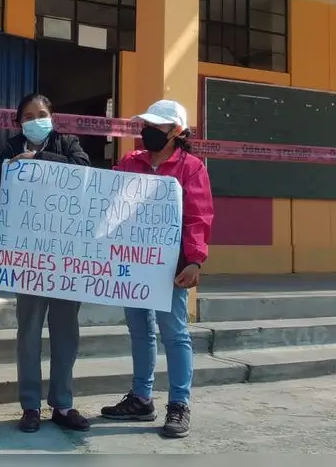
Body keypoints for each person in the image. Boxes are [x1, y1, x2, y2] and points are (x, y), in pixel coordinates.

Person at [0, 93, 92, 434]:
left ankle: (63, 404)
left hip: (67, 257)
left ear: (52, 116)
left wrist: (39, 159)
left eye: (41, 113)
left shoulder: (69, 143)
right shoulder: (9, 151)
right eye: (28, 115)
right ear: (19, 122)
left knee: (65, 334)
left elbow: (85, 172)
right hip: (28, 260)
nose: (36, 119)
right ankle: (30, 406)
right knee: (28, 333)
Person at [99, 99, 214, 439]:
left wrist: (195, 259)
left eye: (156, 127)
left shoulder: (191, 168)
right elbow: (104, 199)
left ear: (176, 132)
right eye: (145, 125)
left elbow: (199, 216)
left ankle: (179, 403)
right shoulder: (129, 163)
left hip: (170, 267)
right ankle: (140, 398)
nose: (147, 132)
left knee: (174, 333)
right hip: (132, 263)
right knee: (139, 330)